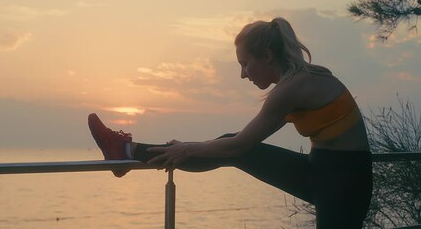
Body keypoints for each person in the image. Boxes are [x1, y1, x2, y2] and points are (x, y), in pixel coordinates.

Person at [88, 17, 373, 229]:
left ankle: (126, 152)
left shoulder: (292, 89)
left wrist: (189, 149)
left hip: (343, 183)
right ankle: (125, 152)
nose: (242, 75)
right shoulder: (302, 79)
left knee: (233, 146)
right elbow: (239, 145)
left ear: (267, 56)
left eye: (245, 64)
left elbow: (237, 147)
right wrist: (192, 147)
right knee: (231, 144)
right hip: (323, 171)